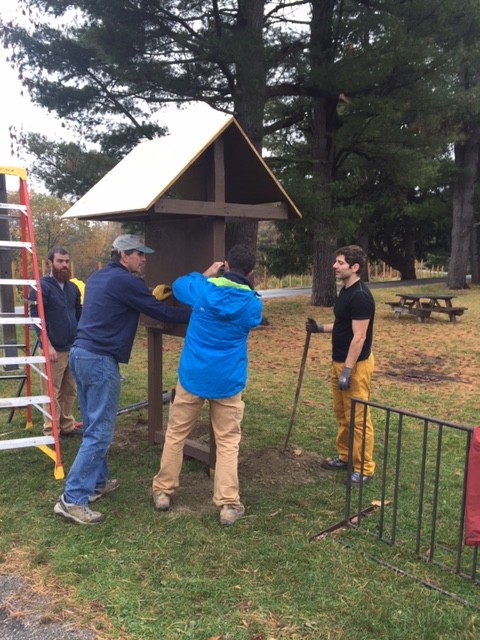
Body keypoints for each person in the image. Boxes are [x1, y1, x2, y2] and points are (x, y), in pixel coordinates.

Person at [53, 234, 191, 525]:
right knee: (100, 432)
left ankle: (97, 483)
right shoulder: (128, 282)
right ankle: (72, 499)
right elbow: (158, 311)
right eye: (139, 254)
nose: (143, 259)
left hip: (81, 354)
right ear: (124, 255)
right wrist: (196, 314)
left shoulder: (100, 277)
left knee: (92, 424)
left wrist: (147, 293)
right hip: (100, 360)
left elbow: (125, 301)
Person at [152, 244, 263, 526]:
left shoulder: (203, 289)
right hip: (227, 380)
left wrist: (207, 273)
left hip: (193, 375)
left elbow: (179, 286)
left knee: (175, 434)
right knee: (227, 441)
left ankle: (163, 491)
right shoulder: (252, 303)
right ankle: (227, 504)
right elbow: (252, 319)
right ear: (251, 273)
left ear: (226, 264)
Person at [306, 245, 376, 485]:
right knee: (342, 415)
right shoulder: (345, 292)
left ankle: (364, 468)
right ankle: (346, 457)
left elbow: (359, 337)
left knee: (358, 417)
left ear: (354, 267)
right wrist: (319, 329)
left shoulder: (361, 296)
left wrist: (347, 369)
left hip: (355, 367)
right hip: (340, 363)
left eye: (340, 262)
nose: (334, 266)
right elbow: (344, 325)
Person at [28, 247, 83, 437]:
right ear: (50, 263)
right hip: (53, 349)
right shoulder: (41, 286)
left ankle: (66, 425)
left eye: (67, 261)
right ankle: (51, 430)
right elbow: (35, 317)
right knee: (52, 391)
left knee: (70, 390)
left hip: (73, 347)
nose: (64, 265)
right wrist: (47, 344)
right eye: (60, 261)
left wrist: (81, 340)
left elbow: (79, 314)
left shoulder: (72, 288)